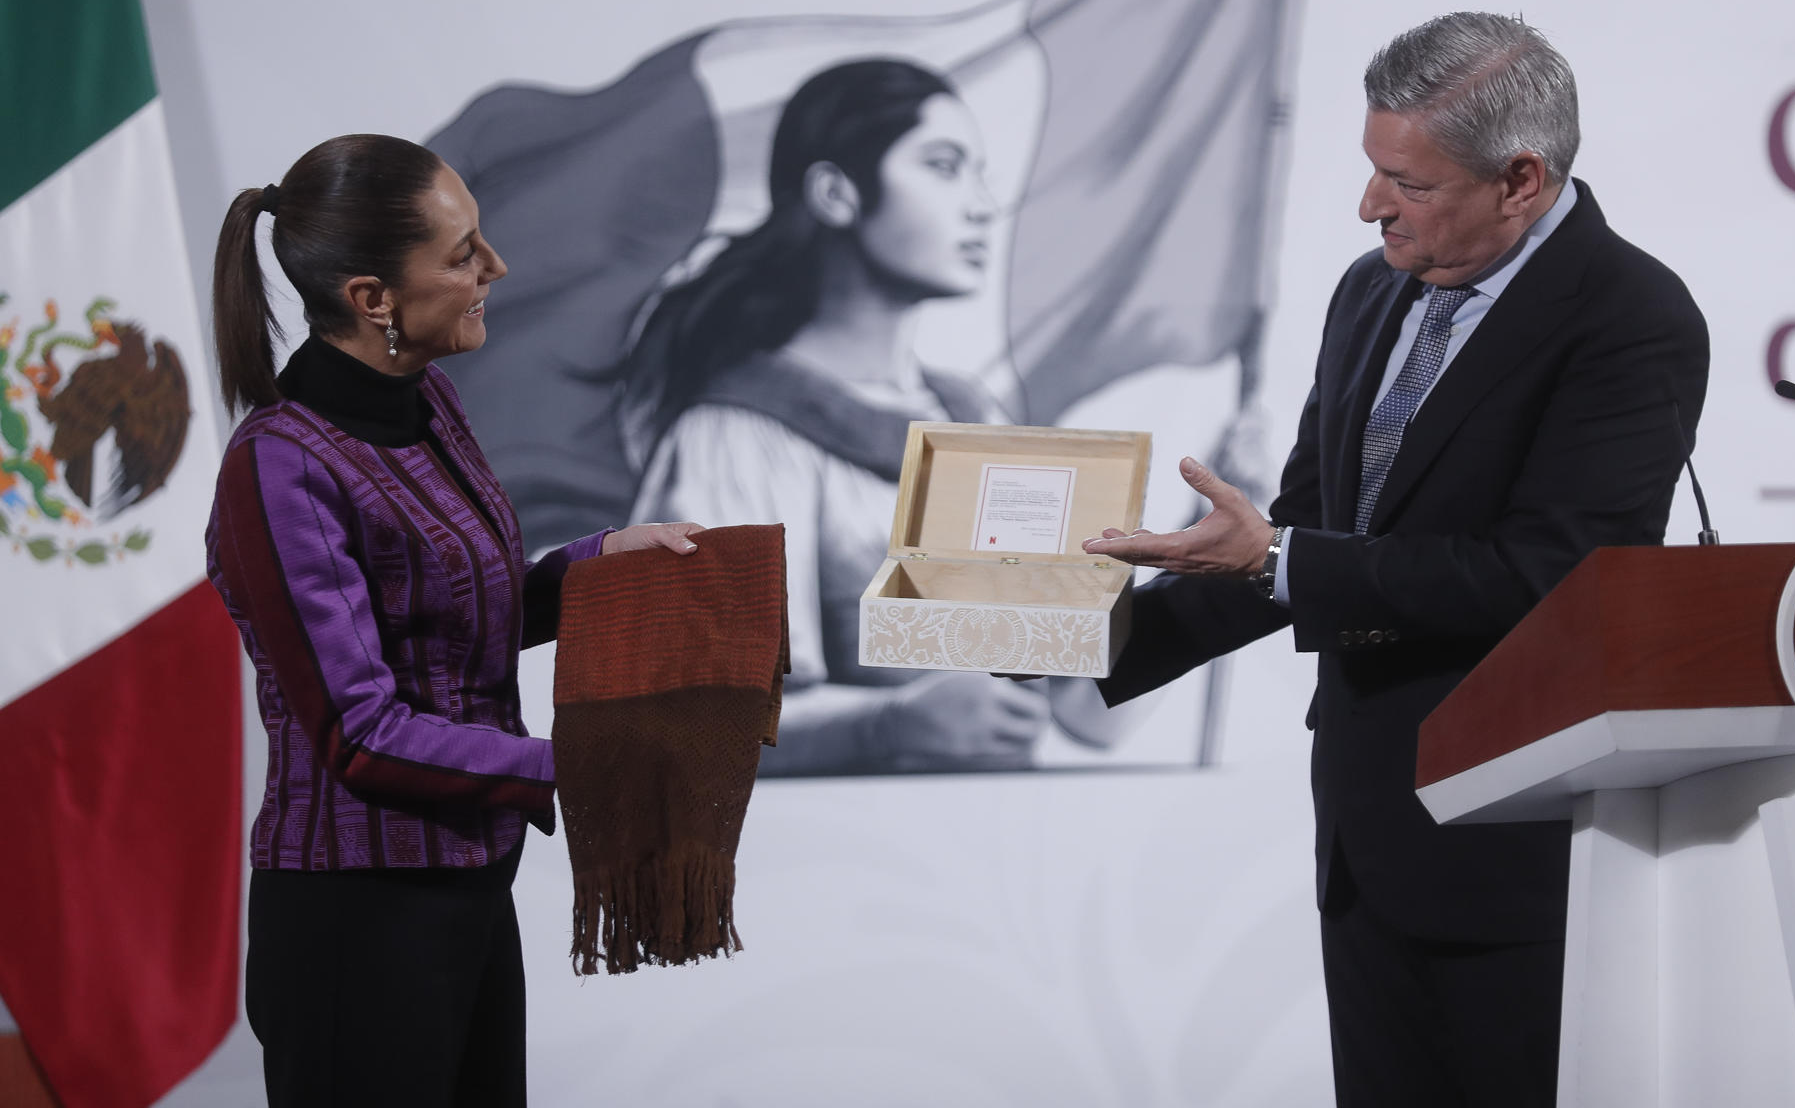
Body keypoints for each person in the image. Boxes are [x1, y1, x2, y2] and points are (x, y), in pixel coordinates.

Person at [1083, 14, 1710, 1106]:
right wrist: (1090, 636)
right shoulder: (1373, 289)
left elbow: (1547, 576)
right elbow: (1308, 532)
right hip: (1369, 833)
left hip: (1518, 836)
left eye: (1405, 182)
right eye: (1373, 168)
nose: (1369, 205)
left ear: (1521, 178)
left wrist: (1277, 556)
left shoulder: (1629, 316)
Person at [204, 134, 703, 1107]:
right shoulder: (278, 465)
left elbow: (453, 607)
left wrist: (602, 564)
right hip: (357, 914)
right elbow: (361, 729)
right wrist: (579, 761)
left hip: (467, 887)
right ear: (372, 298)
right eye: (462, 251)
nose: (495, 268)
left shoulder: (425, 398)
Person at [622, 58, 1132, 775]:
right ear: (836, 193)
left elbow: (1083, 708)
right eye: (943, 166)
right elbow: (690, 718)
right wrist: (889, 725)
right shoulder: (732, 437)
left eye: (978, 172)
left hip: (993, 857)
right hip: (820, 864)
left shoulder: (975, 417)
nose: (983, 205)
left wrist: (1217, 568)